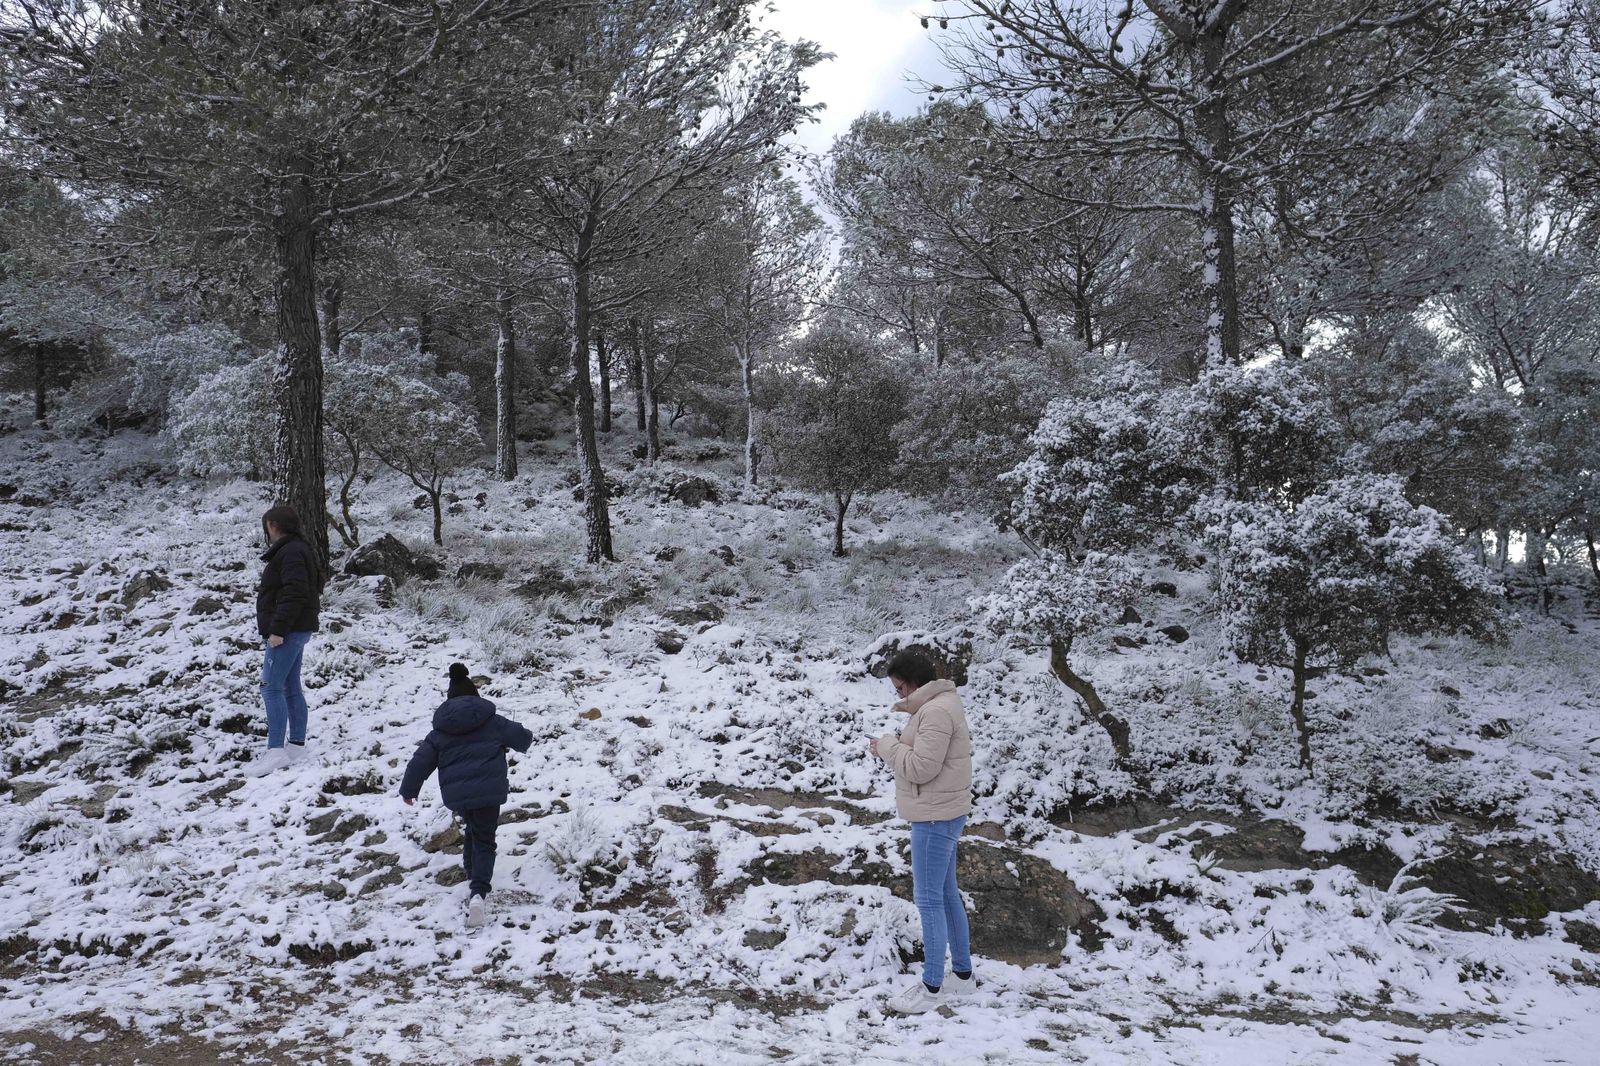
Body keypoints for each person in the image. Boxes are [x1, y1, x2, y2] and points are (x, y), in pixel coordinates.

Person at [868, 650, 975, 1015]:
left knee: (929, 899)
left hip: (934, 816)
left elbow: (920, 768)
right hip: (942, 810)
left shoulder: (935, 712)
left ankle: (931, 988)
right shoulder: (938, 705)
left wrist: (887, 746)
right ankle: (962, 976)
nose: (898, 694)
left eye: (900, 687)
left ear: (915, 682)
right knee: (946, 894)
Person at [399, 663, 534, 929]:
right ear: (475, 695)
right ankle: (478, 894)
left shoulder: (440, 731)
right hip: (489, 791)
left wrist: (408, 790)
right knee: (484, 837)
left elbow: (419, 762)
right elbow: (523, 738)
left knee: (473, 826)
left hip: (458, 795)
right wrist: (522, 737)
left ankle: (471, 871)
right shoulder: (493, 721)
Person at [249, 504, 322, 777]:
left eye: (267, 527)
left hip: (288, 630)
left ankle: (276, 751)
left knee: (270, 688)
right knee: (290, 686)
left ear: (273, 526)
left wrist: (277, 629)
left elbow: (295, 592)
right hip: (297, 628)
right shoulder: (299, 549)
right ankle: (296, 746)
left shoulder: (290, 552)